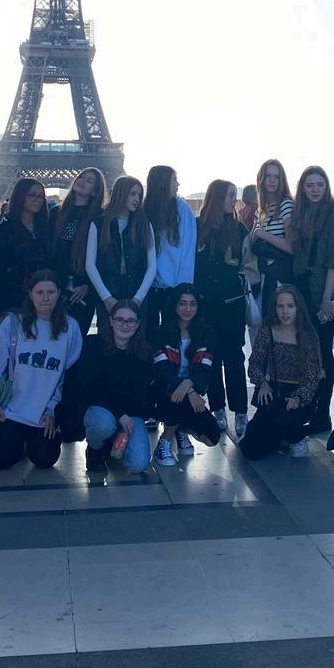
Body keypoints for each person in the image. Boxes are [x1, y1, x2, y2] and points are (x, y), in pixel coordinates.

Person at [0, 269, 81, 470]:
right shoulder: (13, 324)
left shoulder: (71, 328)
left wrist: (53, 409)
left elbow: (68, 377)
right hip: (11, 411)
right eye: (40, 292)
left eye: (51, 292)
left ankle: (31, 441)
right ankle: (18, 440)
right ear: (30, 294)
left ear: (59, 293)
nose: (45, 298)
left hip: (44, 415)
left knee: (44, 460)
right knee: (3, 459)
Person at [194, 179, 256, 437]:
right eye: (230, 195)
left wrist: (239, 281)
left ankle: (240, 411)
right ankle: (217, 407)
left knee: (234, 357)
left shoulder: (239, 228)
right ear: (217, 197)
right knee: (211, 356)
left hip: (231, 305)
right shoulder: (198, 227)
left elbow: (249, 264)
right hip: (205, 305)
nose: (234, 199)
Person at [239, 285, 323, 460]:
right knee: (249, 449)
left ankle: (297, 437)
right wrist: (262, 383)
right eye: (280, 306)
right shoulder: (267, 331)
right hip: (274, 391)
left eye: (290, 306)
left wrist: (298, 398)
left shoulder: (308, 336)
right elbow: (254, 363)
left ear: (298, 307)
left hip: (299, 394)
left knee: (283, 420)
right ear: (275, 308)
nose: (285, 311)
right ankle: (277, 435)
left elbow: (312, 378)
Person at [290, 165, 334, 433]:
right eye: (310, 185)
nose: (315, 190)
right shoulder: (300, 216)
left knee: (323, 351)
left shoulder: (333, 218)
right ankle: (309, 407)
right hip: (302, 287)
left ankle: (322, 415)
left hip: (323, 290)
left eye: (320, 185)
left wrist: (326, 298)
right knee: (308, 352)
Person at [76, 300, 156, 474]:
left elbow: (141, 394)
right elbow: (91, 388)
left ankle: (113, 443)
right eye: (120, 319)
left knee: (139, 464)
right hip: (101, 408)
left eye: (130, 321)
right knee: (103, 424)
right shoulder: (92, 345)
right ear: (111, 321)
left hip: (130, 413)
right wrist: (119, 414)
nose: (125, 325)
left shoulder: (144, 353)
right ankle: (95, 448)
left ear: (138, 324)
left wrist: (124, 417)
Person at [151, 284, 222, 465]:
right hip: (164, 395)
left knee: (212, 437)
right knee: (178, 399)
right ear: (174, 305)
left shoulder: (206, 334)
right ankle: (164, 441)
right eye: (182, 303)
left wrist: (189, 386)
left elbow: (205, 372)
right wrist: (188, 389)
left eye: (193, 304)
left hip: (191, 393)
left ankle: (181, 430)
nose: (188, 309)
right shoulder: (160, 333)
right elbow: (162, 374)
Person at [85, 175, 157, 321]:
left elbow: (152, 266)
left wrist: (138, 298)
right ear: (120, 193)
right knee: (107, 333)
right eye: (132, 194)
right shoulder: (98, 224)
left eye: (139, 195)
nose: (137, 199)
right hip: (108, 291)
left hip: (136, 291)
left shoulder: (145, 225)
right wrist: (106, 298)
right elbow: (90, 265)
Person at [0, 178, 51, 332]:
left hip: (40, 298)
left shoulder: (45, 227)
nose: (37, 200)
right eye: (32, 195)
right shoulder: (6, 228)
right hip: (11, 298)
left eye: (40, 196)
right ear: (21, 196)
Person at [51, 168, 106, 336]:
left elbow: (103, 256)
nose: (82, 181)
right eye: (81, 177)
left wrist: (88, 286)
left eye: (90, 181)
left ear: (95, 191)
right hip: (54, 287)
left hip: (82, 290)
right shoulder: (55, 213)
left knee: (76, 341)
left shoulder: (100, 219)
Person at [145, 166, 197, 331]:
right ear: (162, 183)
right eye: (174, 180)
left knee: (172, 333)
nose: (178, 184)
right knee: (148, 333)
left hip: (173, 288)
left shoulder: (182, 210)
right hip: (148, 287)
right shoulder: (145, 210)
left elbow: (188, 251)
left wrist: (184, 288)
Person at [249, 159, 294, 318]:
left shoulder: (286, 205)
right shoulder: (260, 210)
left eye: (276, 177)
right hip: (262, 274)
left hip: (280, 275)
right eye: (268, 176)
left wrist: (264, 235)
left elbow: (291, 246)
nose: (272, 180)